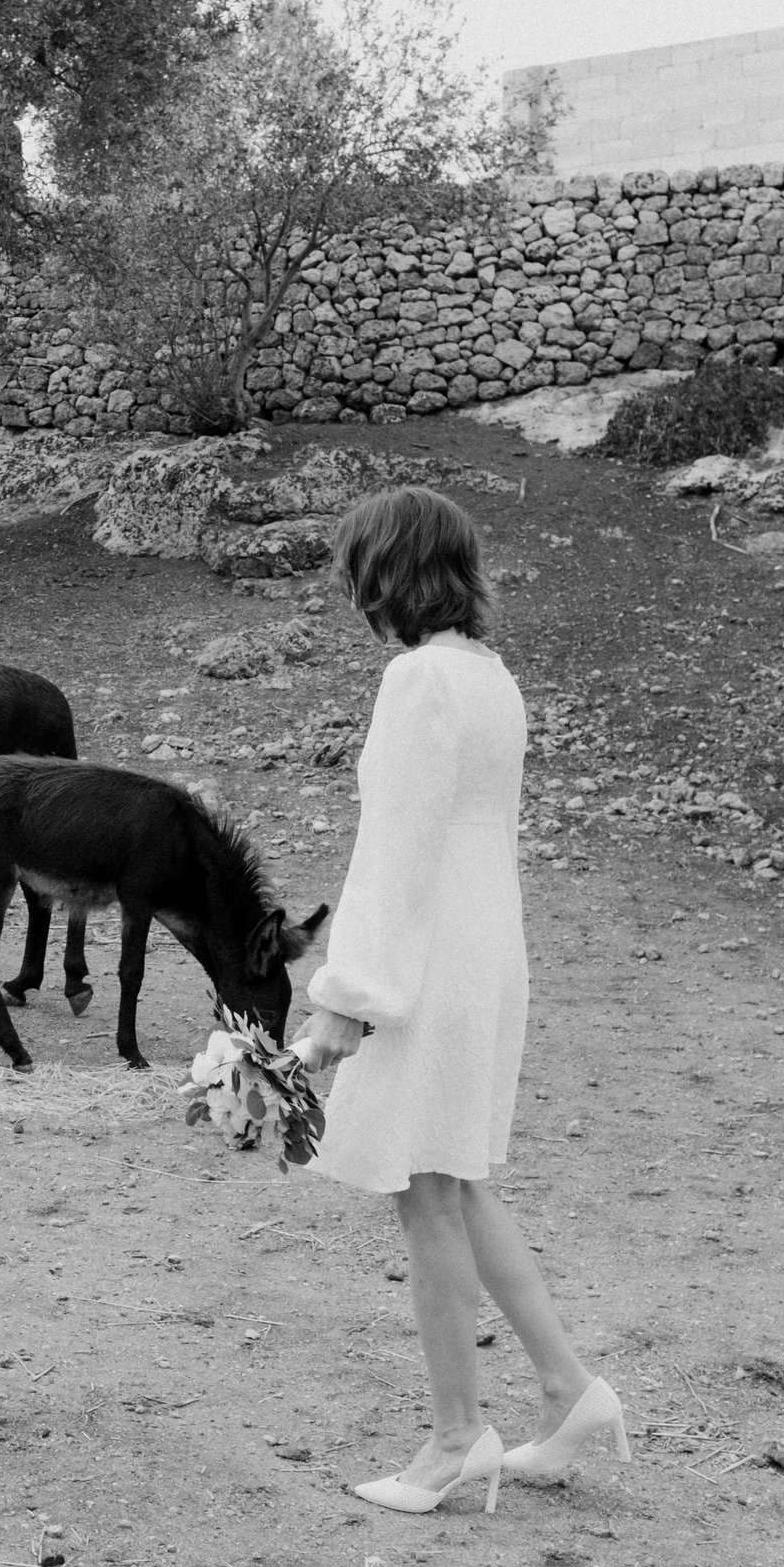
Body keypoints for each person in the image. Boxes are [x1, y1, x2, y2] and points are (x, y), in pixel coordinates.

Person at [293, 486, 626, 1513]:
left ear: (383, 572)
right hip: (484, 947)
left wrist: (347, 996)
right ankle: (570, 1391)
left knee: (425, 1191)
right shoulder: (489, 676)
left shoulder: (417, 680)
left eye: (356, 569)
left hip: (429, 955)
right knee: (458, 1179)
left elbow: (395, 852)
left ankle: (453, 1438)